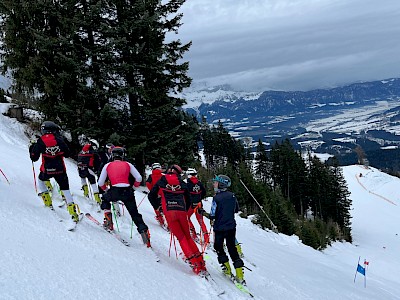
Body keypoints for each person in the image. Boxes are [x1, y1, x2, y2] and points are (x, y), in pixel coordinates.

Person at [148, 164, 207, 275]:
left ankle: (193, 262)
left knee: (181, 237)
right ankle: (201, 262)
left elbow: (151, 195)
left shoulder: (162, 180)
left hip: (169, 212)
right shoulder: (182, 183)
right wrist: (184, 208)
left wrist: (157, 206)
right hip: (181, 211)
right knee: (187, 236)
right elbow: (188, 199)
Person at [97, 146, 151, 247]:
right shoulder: (128, 164)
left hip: (114, 190)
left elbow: (100, 182)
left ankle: (109, 222)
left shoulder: (108, 165)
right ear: (122, 155)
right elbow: (138, 178)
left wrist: (106, 190)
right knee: (134, 213)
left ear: (112, 155)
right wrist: (134, 188)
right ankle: (144, 233)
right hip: (127, 191)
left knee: (105, 199)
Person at [29, 121, 80, 223]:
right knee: (65, 189)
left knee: (41, 181)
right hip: (61, 170)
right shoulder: (59, 140)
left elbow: (34, 158)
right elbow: (67, 154)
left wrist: (31, 147)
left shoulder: (41, 141)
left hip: (47, 169)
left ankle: (48, 202)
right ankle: (73, 212)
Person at [199, 174, 245, 284]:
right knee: (232, 248)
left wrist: (203, 213)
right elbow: (236, 209)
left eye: (216, 182)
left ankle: (227, 268)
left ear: (220, 184)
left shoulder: (216, 198)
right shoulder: (232, 196)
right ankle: (240, 275)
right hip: (231, 226)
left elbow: (213, 215)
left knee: (218, 247)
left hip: (219, 227)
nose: (214, 184)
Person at [185, 168, 209, 245]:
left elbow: (184, 194)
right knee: (201, 221)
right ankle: (206, 239)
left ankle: (193, 234)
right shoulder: (199, 183)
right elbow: (204, 192)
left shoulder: (186, 183)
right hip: (199, 204)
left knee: (187, 218)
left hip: (190, 205)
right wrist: (199, 198)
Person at [77, 139, 101, 203]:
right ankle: (97, 199)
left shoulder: (82, 150)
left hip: (80, 167)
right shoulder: (93, 152)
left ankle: (86, 194)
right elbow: (97, 161)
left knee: (83, 179)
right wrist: (96, 170)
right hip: (89, 168)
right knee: (93, 183)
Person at [146, 162, 167, 228]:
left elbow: (148, 183)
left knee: (156, 207)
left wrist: (152, 190)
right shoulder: (163, 176)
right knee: (164, 208)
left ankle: (160, 220)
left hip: (155, 194)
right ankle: (168, 222)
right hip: (163, 194)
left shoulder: (151, 176)